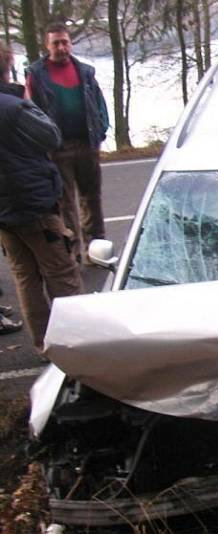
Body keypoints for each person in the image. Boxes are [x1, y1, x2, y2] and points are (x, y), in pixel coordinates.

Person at [0, 40, 84, 351]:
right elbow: (51, 135)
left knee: (25, 277)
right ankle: (77, 345)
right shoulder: (14, 107)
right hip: (33, 204)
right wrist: (25, 99)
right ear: (7, 67)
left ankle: (44, 345)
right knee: (62, 273)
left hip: (5, 213)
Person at [25, 22, 109, 262]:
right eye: (56, 43)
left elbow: (99, 104)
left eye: (65, 42)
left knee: (92, 197)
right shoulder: (36, 75)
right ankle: (75, 250)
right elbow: (31, 110)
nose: (61, 47)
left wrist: (101, 132)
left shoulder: (85, 71)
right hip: (57, 149)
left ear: (70, 43)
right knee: (66, 203)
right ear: (47, 45)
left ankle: (98, 247)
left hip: (87, 144)